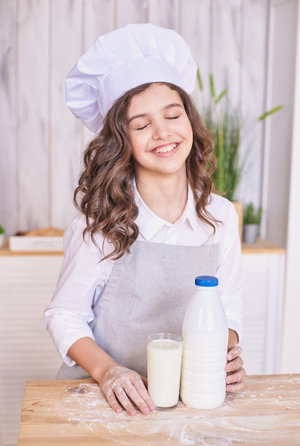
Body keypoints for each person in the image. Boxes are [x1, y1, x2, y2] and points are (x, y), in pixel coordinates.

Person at [45, 23, 246, 417]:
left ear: (190, 123)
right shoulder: (100, 224)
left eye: (173, 115)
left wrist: (224, 357)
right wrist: (109, 372)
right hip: (104, 402)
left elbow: (230, 308)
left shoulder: (220, 217)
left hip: (185, 401)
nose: (162, 132)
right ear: (122, 142)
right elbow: (64, 315)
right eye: (141, 125)